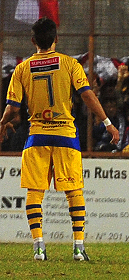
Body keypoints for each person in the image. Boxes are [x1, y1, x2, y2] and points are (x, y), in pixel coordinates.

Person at [0, 18, 120, 262]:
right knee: (74, 191)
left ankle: (39, 247)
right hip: (66, 135)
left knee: (35, 192)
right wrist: (107, 122)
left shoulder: (22, 69)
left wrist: (2, 124)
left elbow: (13, 108)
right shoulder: (70, 64)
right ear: (56, 39)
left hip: (37, 137)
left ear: (33, 40)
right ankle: (78, 247)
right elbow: (87, 95)